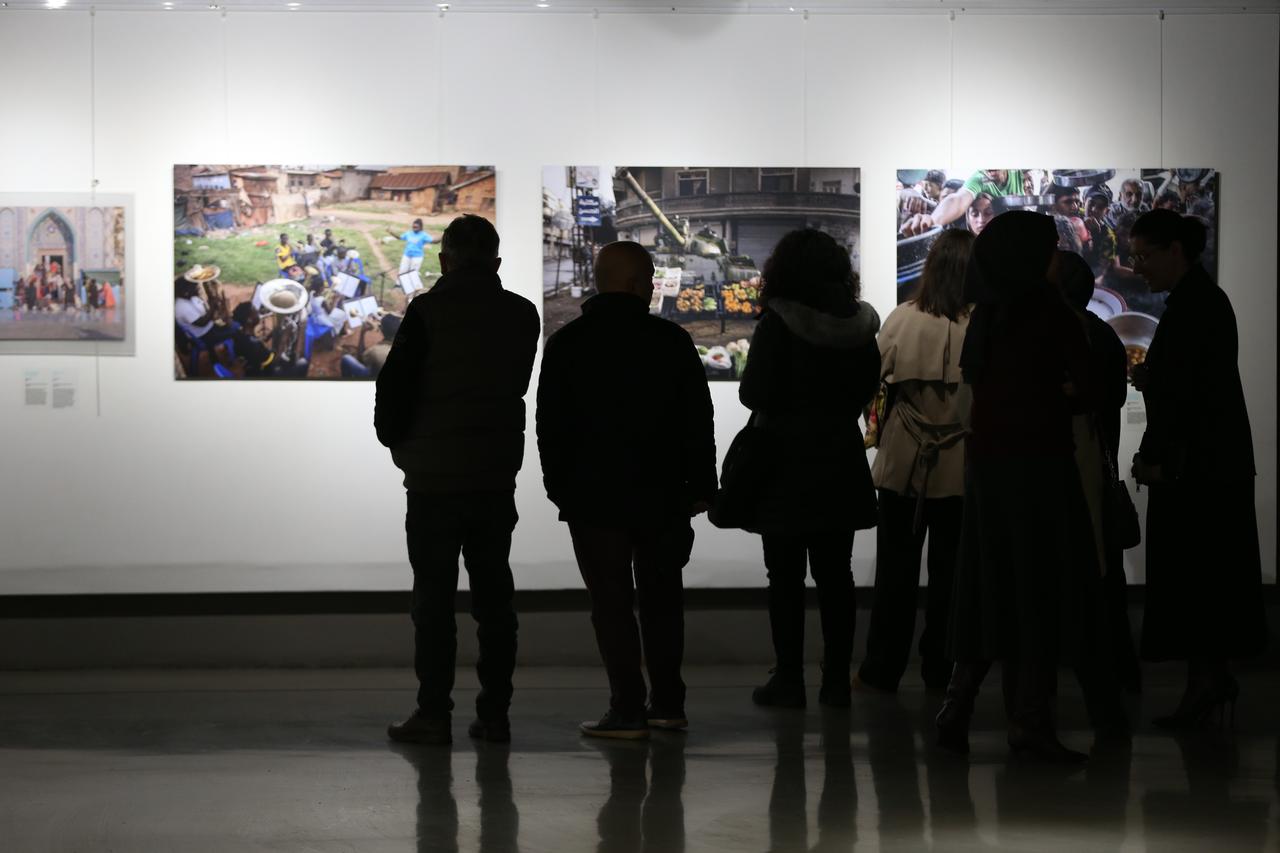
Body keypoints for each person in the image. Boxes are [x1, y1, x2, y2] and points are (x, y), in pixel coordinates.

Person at [936, 211, 1098, 763]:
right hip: (1041, 469)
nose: (1058, 257)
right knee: (1038, 591)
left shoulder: (987, 313)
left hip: (990, 468)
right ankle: (1029, 722)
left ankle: (955, 707)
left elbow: (977, 387)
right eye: (1051, 248)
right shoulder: (1048, 311)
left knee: (986, 585)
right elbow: (1090, 384)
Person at [536, 241, 716, 739]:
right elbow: (698, 420)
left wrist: (560, 490)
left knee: (611, 605)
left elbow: (550, 426)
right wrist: (703, 486)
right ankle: (668, 704)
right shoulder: (671, 341)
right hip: (662, 494)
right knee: (663, 599)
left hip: (594, 499)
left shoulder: (568, 343)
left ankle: (628, 709)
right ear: (638, 285)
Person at [376, 215, 539, 745]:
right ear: (495, 262)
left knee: (433, 603)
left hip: (432, 481)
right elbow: (512, 383)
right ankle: (495, 715)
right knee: (495, 602)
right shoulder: (522, 315)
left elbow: (393, 397)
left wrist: (401, 446)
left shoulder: (426, 312)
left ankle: (433, 712)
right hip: (493, 475)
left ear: (444, 260)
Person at [1128, 209, 1265, 728]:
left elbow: (1190, 397)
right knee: (1207, 580)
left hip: (1198, 470)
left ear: (1175, 251)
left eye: (1144, 256)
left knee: (1198, 580)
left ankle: (1207, 684)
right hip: (1212, 465)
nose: (1138, 267)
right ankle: (1209, 682)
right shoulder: (1201, 301)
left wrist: (1159, 459)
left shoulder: (1195, 305)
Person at [739, 229, 881, 710]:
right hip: (839, 455)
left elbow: (753, 392)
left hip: (783, 459)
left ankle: (790, 679)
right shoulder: (860, 324)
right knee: (835, 576)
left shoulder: (779, 322)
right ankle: (837, 680)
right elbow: (866, 387)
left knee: (784, 577)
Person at [856, 229, 974, 694]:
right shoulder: (985, 322)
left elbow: (873, 382)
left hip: (905, 462)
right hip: (963, 463)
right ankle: (940, 668)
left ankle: (881, 669)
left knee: (895, 574)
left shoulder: (902, 318)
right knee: (952, 577)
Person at [901, 169, 1029, 236]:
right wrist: (932, 221)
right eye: (974, 214)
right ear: (967, 216)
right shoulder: (979, 179)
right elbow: (958, 199)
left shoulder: (1020, 172)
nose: (981, 221)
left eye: (988, 213)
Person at [229, 301, 308, 378]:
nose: (258, 312)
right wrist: (284, 338)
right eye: (255, 311)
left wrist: (271, 335)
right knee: (303, 363)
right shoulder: (255, 345)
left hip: (252, 369)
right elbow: (275, 361)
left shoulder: (239, 333)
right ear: (249, 320)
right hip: (267, 374)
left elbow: (256, 347)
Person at [174, 277, 236, 368]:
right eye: (195, 288)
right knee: (235, 329)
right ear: (185, 291)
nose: (198, 289)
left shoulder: (189, 297)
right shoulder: (182, 307)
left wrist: (212, 300)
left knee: (228, 324)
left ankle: (214, 356)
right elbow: (201, 323)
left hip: (206, 329)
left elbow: (204, 312)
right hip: (203, 335)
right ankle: (234, 357)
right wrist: (213, 306)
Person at [341, 313, 401, 378]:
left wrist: (362, 332)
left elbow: (361, 359)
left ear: (382, 329)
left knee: (346, 358)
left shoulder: (375, 350)